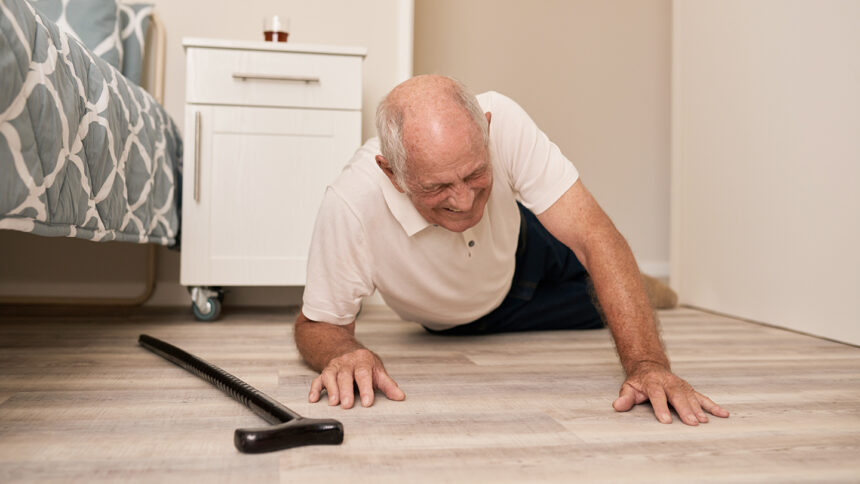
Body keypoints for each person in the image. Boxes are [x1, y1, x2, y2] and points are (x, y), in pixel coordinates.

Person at [294, 75, 729, 426]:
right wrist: (341, 353)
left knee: (596, 261)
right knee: (597, 306)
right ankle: (638, 289)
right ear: (391, 173)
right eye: (438, 187)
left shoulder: (503, 118)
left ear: (486, 129)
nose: (464, 202)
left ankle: (632, 284)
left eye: (475, 174)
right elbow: (317, 324)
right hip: (474, 318)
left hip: (527, 240)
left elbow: (595, 236)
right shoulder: (350, 204)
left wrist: (648, 363)